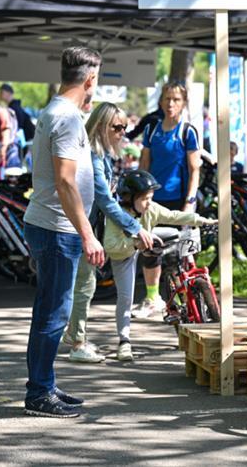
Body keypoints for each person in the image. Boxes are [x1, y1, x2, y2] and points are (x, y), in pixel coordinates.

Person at [22, 46, 105, 418]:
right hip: (58, 228)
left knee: (49, 311)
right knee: (54, 314)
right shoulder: (67, 118)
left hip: (51, 225)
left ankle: (44, 384)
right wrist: (87, 234)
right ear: (90, 79)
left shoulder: (56, 111)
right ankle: (39, 392)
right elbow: (66, 181)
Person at [64, 103, 154, 364]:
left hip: (82, 224)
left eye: (125, 127)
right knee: (84, 285)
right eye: (117, 127)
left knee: (81, 283)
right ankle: (77, 343)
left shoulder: (101, 154)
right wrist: (134, 226)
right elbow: (103, 198)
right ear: (102, 127)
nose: (122, 132)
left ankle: (73, 333)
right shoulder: (93, 156)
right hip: (80, 225)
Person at [105, 170, 215, 361]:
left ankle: (175, 277)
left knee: (176, 234)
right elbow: (111, 247)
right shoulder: (117, 215)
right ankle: (124, 341)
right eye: (145, 199)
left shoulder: (151, 209)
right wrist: (135, 244)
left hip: (145, 237)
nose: (149, 203)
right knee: (126, 296)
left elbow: (173, 216)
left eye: (151, 198)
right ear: (129, 198)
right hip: (124, 252)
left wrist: (203, 221)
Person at [137, 81, 201, 318]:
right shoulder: (151, 130)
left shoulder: (187, 131)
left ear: (183, 103)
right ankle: (153, 299)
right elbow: (144, 163)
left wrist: (190, 201)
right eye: (167, 99)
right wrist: (138, 197)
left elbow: (195, 169)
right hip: (153, 201)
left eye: (176, 99)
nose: (170, 103)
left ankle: (186, 301)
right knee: (150, 250)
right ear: (161, 101)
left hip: (179, 200)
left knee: (180, 254)